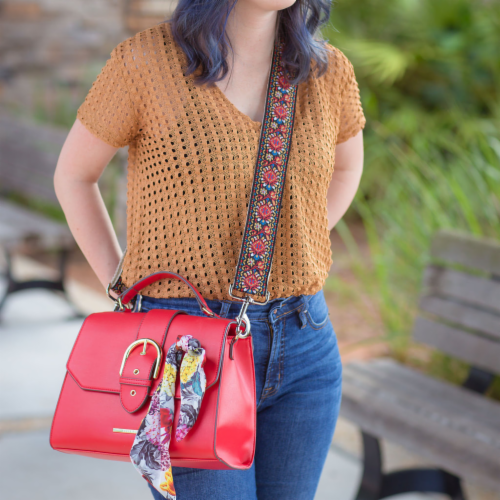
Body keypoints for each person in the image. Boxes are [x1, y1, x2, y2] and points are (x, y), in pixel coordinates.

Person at [54, 0, 365, 498]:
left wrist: (294, 239)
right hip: (188, 356)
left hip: (305, 344)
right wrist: (120, 284)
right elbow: (73, 175)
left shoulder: (326, 72)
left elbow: (348, 167)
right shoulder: (145, 63)